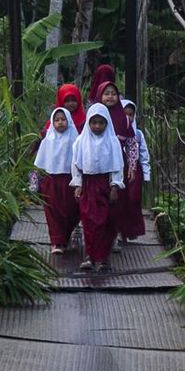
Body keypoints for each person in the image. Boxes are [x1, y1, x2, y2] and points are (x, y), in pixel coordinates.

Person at [71, 104, 124, 272]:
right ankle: (90, 256)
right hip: (88, 185)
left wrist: (115, 185)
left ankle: (103, 258)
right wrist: (78, 184)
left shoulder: (112, 141)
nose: (97, 126)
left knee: (105, 221)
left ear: (107, 123)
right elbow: (76, 164)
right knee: (88, 221)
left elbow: (117, 166)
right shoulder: (81, 141)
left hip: (105, 186)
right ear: (88, 123)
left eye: (101, 123)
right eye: (93, 123)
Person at [96, 82, 144, 247]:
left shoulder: (123, 119)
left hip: (118, 165)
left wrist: (131, 167)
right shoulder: (94, 116)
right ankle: (98, 235)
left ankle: (113, 235)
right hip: (97, 167)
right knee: (98, 200)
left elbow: (131, 144)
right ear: (100, 96)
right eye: (106, 93)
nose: (110, 97)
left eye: (113, 94)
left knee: (117, 201)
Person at [34, 107, 80, 253]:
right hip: (51, 180)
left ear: (69, 121)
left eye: (63, 119)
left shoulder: (75, 140)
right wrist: (34, 184)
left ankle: (64, 237)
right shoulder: (48, 140)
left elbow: (79, 160)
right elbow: (39, 163)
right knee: (52, 211)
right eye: (57, 120)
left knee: (70, 211)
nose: (60, 123)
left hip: (70, 181)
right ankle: (56, 241)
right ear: (52, 122)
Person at [122, 99, 151, 235]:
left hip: (134, 171)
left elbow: (144, 154)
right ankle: (120, 230)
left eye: (131, 114)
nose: (128, 118)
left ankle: (131, 230)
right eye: (124, 114)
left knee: (133, 200)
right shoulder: (115, 133)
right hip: (120, 170)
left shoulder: (138, 134)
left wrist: (146, 174)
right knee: (121, 201)